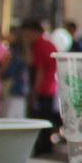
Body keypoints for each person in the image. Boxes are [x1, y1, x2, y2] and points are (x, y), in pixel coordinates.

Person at [21, 19, 60, 153]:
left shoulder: (39, 45)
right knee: (47, 118)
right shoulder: (49, 44)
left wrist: (35, 91)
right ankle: (46, 146)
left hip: (43, 87)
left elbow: (39, 70)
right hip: (51, 86)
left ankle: (42, 147)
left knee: (41, 119)